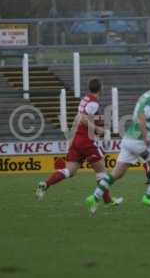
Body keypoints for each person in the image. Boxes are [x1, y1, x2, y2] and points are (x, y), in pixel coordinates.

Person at [85, 75, 150, 214]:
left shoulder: (145, 95)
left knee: (117, 173)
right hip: (139, 141)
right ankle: (148, 197)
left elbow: (142, 117)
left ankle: (95, 197)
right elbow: (142, 117)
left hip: (128, 139)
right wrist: (146, 134)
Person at [36, 78, 123, 206]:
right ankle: (107, 201)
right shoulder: (93, 103)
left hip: (77, 139)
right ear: (100, 88)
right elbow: (82, 119)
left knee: (70, 171)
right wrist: (97, 128)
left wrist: (71, 138)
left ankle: (45, 184)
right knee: (101, 172)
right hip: (87, 141)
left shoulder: (85, 99)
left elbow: (77, 117)